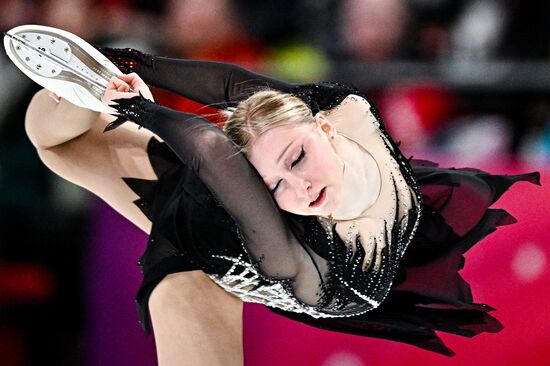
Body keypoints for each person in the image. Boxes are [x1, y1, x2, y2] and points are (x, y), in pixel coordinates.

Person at [7, 25, 540, 363]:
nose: (300, 187)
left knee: (180, 290)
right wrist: (140, 66)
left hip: (231, 247)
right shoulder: (330, 112)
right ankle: (94, 87)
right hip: (218, 199)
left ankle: (104, 95)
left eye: (297, 162)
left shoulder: (335, 269)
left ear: (326, 132)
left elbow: (217, 155)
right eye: (276, 184)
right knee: (51, 138)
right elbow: (238, 94)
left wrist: (145, 110)